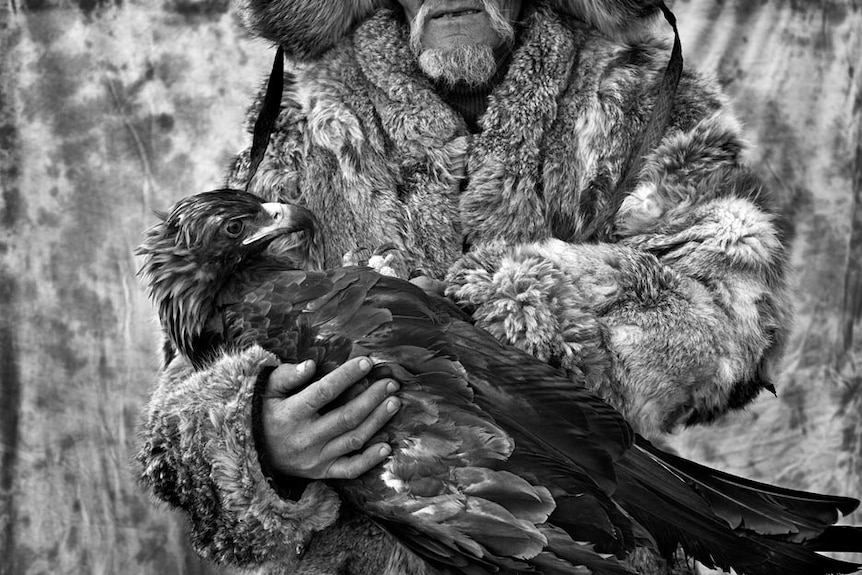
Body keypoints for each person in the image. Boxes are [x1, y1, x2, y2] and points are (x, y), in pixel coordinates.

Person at [136, 0, 792, 573]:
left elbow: (732, 307)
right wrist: (258, 434)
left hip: (599, 523)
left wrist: (529, 319)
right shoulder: (305, 111)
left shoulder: (639, 84)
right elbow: (185, 389)